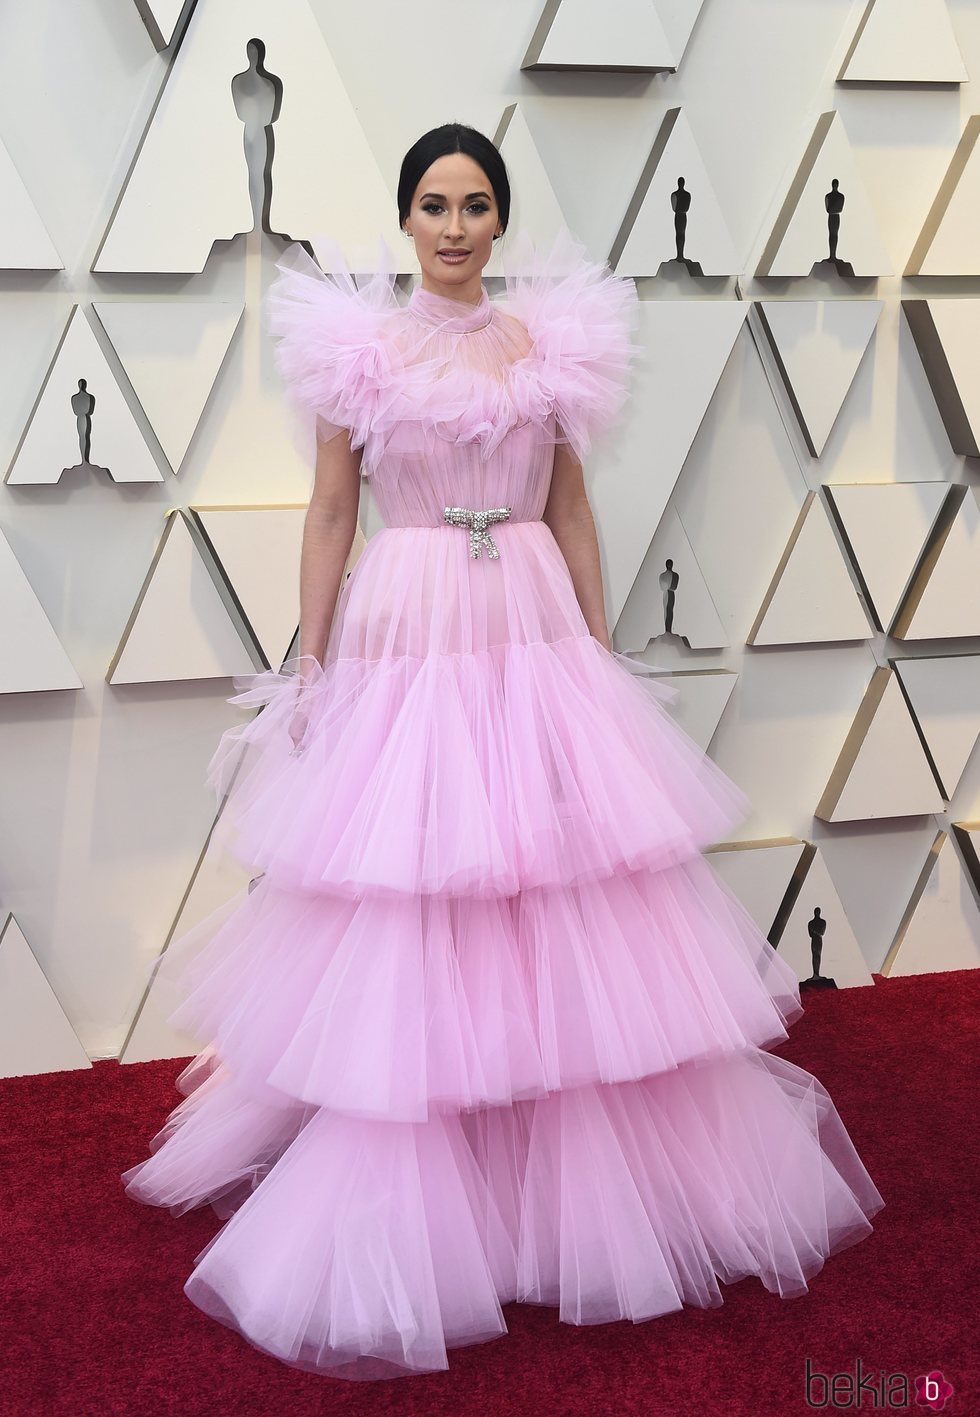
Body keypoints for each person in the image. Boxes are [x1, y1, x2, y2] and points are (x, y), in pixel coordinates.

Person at [121, 122, 885, 1382]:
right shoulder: (355, 348)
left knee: (548, 879)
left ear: (499, 218)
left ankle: (555, 1179)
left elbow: (573, 505)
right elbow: (328, 511)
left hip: (526, 623)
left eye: (477, 204)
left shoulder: (552, 342)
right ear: (407, 216)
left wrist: (593, 642)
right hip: (409, 623)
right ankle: (436, 1177)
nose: (457, 225)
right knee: (418, 885)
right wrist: (313, 663)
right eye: (434, 203)